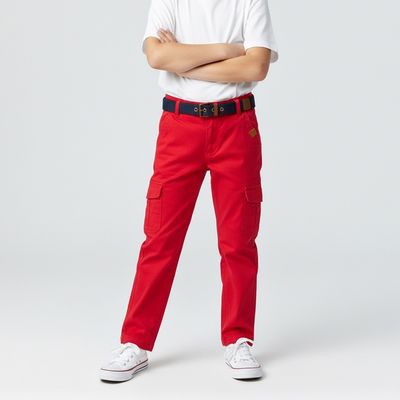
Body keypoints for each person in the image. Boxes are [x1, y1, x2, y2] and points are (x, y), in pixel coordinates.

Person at [99, 0, 279, 382]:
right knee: (159, 239)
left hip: (236, 126)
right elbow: (157, 56)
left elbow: (256, 67)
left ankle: (239, 340)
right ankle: (135, 342)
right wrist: (229, 50)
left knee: (238, 241)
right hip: (180, 126)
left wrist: (184, 59)